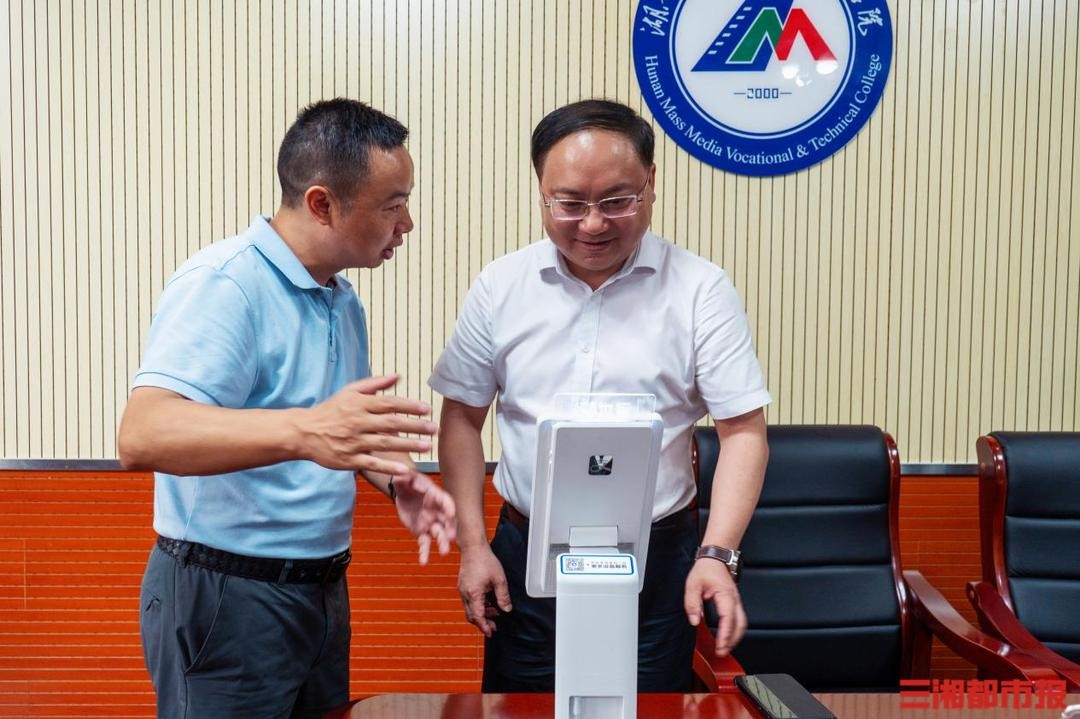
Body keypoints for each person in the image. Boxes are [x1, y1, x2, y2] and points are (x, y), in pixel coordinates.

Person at [117, 98, 456, 719]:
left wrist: (396, 479)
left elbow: (337, 431)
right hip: (225, 593)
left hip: (318, 589)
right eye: (393, 205)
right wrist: (305, 430)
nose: (406, 224)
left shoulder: (341, 299)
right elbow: (144, 433)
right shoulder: (226, 284)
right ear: (322, 203)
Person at [429, 99, 770, 692]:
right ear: (541, 193)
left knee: (647, 705)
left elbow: (743, 431)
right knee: (522, 707)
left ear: (651, 184)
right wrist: (474, 546)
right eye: (569, 203)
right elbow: (461, 418)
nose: (592, 224)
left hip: (657, 561)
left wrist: (717, 555)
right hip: (524, 552)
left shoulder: (700, 290)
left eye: (616, 201)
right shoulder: (501, 286)